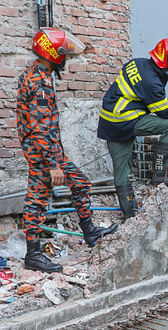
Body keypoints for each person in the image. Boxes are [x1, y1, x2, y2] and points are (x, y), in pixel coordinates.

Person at [18, 28, 118, 272]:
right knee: (37, 201)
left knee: (81, 184)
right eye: (64, 55)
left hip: (50, 151)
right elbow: (41, 128)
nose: (65, 60)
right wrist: (52, 164)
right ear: (52, 54)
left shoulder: (37, 75)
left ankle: (90, 233)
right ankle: (33, 255)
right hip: (43, 154)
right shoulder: (39, 82)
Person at [98, 38, 168, 219]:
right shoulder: (152, 83)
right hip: (125, 119)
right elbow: (166, 112)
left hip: (110, 121)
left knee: (121, 171)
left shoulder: (137, 63)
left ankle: (130, 215)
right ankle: (161, 173)